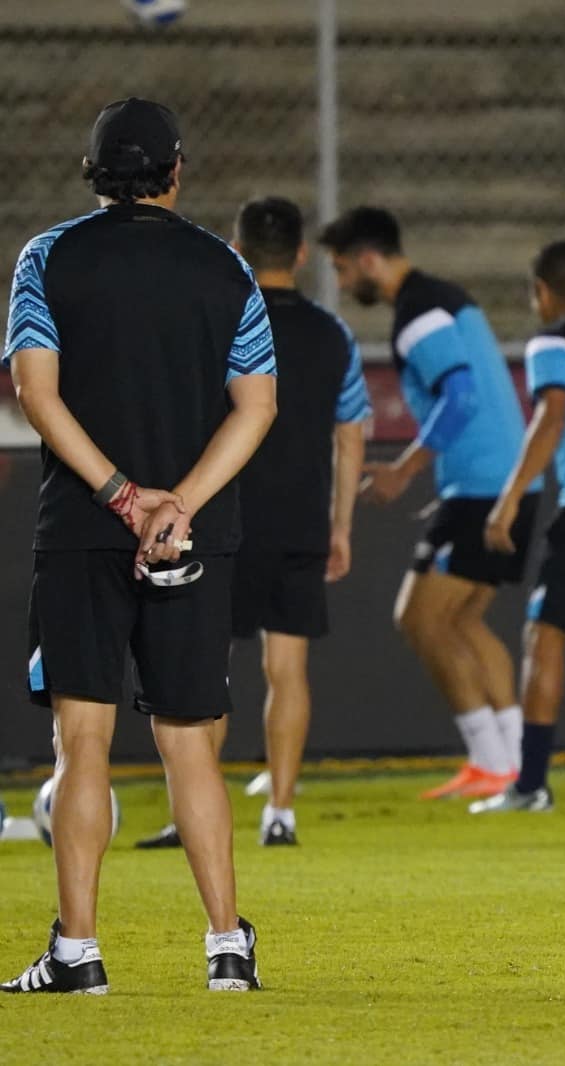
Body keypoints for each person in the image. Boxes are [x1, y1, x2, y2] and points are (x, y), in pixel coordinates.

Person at [2, 98, 276, 993]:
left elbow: (36, 394)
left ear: (92, 172)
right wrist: (177, 505)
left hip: (82, 528)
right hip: (194, 538)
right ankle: (227, 945)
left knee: (82, 746)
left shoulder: (47, 257)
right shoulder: (225, 265)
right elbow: (258, 406)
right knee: (190, 744)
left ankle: (77, 954)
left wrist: (121, 497)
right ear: (175, 170)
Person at [135, 197, 371, 851]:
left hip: (221, 518)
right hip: (300, 522)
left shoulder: (217, 322)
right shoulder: (334, 335)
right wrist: (341, 524)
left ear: (235, 251)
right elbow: (351, 435)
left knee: (208, 669)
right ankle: (281, 814)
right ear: (300, 254)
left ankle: (192, 817)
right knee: (286, 670)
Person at [317, 207, 534, 800]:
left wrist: (406, 469)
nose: (340, 282)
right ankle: (516, 764)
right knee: (462, 619)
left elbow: (461, 397)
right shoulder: (444, 297)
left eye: (340, 269)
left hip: (483, 488)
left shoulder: (418, 311)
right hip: (503, 483)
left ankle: (494, 762)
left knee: (418, 618)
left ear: (367, 259)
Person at [470, 240, 565, 814]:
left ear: (542, 292)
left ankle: (531, 783)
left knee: (543, 638)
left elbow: (552, 415)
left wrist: (507, 502)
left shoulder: (552, 341)